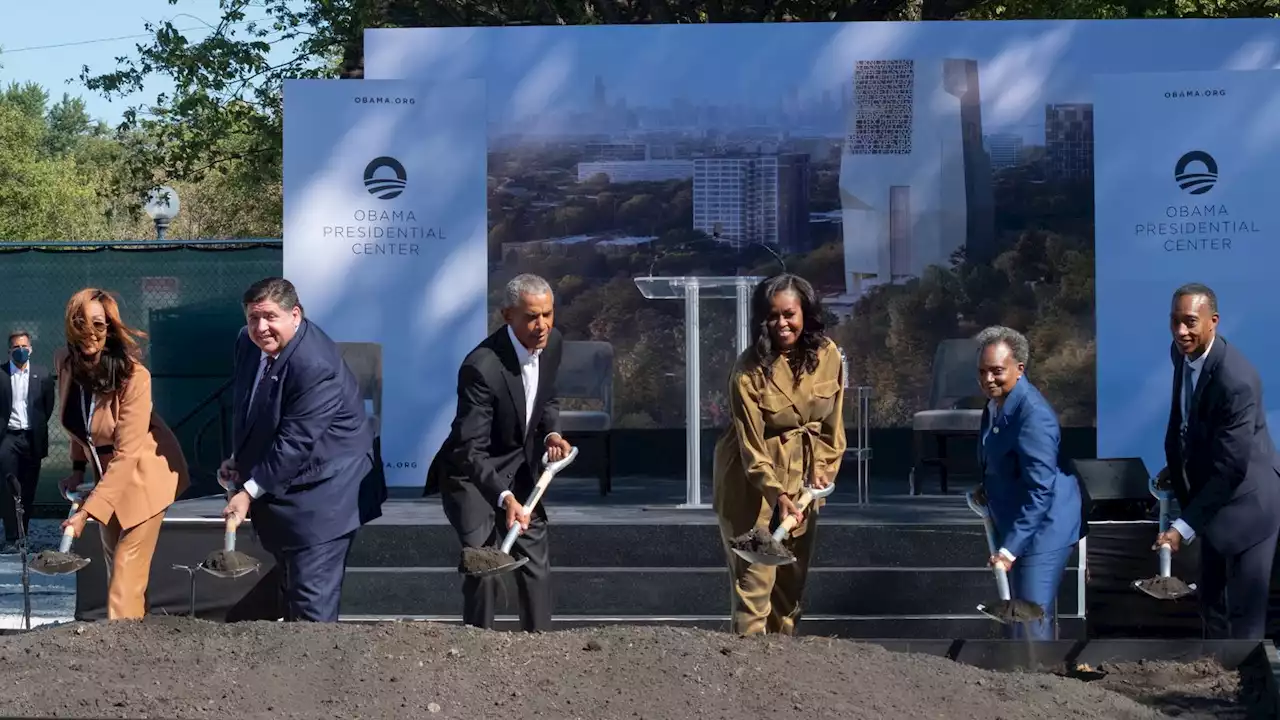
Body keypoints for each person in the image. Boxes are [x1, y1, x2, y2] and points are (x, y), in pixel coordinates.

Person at [219, 277, 385, 623]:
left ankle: (320, 676)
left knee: (312, 611)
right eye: (252, 318)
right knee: (288, 596)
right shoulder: (247, 344)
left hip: (325, 498)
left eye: (270, 317)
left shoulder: (315, 364)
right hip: (285, 495)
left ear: (295, 314)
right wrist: (240, 461)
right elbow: (251, 410)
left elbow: (295, 441)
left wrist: (248, 492)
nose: (260, 328)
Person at [424, 273, 572, 632]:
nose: (543, 325)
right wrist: (505, 499)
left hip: (519, 470)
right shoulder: (482, 367)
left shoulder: (552, 344)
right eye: (532, 317)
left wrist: (551, 432)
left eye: (548, 314)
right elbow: (469, 448)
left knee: (536, 563)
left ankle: (540, 648)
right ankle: (478, 649)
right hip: (470, 476)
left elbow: (546, 396)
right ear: (508, 315)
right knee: (485, 567)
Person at [713, 273, 846, 636]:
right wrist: (779, 496)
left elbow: (833, 426)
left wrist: (823, 471)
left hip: (803, 480)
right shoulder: (747, 372)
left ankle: (783, 678)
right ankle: (748, 675)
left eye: (789, 314)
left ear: (806, 313)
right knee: (755, 587)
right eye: (772, 316)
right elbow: (751, 449)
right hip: (751, 486)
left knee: (790, 587)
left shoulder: (828, 355)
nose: (781, 324)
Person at [55, 289, 189, 619]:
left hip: (144, 478)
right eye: (81, 323)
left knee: (124, 579)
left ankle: (120, 660)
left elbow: (128, 453)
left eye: (99, 325)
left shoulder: (134, 376)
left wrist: (85, 514)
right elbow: (80, 426)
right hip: (108, 478)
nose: (90, 333)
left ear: (111, 327)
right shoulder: (67, 364)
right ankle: (132, 648)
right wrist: (77, 469)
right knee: (118, 573)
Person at [1156, 283, 1280, 640]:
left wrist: (1181, 528)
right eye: (1175, 321)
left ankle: (1252, 692)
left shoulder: (1236, 381)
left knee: (1244, 617)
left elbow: (1231, 467)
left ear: (1214, 322)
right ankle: (1214, 682)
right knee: (1210, 602)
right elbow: (1189, 422)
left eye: (1191, 322)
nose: (1181, 332)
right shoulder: (1181, 353)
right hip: (1211, 500)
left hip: (1249, 503)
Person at [974, 325, 1082, 641]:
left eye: (996, 371)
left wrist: (1009, 550)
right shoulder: (995, 403)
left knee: (1029, 617)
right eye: (982, 371)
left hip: (1044, 529)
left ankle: (1040, 681)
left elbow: (1041, 491)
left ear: (1019, 369)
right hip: (1017, 521)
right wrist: (988, 489)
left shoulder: (1034, 416)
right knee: (1017, 616)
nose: (987, 379)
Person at [0, 331, 56, 551]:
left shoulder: (42, 375)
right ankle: (12, 537)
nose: (21, 350)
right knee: (8, 486)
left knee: (28, 488)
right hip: (8, 438)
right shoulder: (2, 374)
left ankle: (23, 534)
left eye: (24, 346)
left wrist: (37, 425)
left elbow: (47, 406)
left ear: (31, 349)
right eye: (16, 347)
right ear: (9, 350)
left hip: (32, 438)